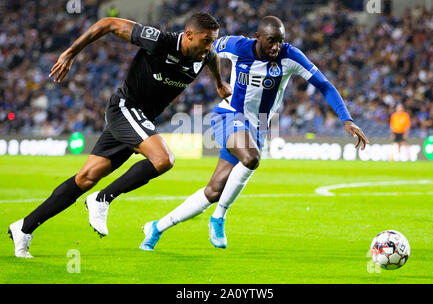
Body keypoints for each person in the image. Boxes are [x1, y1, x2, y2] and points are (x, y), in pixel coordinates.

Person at [8, 12, 231, 258]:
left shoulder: (205, 55)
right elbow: (109, 23)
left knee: (85, 178)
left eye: (213, 41)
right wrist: (70, 53)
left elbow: (213, 59)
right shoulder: (160, 41)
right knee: (164, 159)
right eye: (206, 40)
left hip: (141, 120)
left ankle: (24, 227)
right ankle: (102, 199)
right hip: (125, 108)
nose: (210, 46)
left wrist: (220, 84)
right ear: (189, 35)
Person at [138, 16, 369, 251]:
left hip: (257, 126)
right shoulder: (238, 46)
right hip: (230, 115)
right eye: (271, 41)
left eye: (280, 41)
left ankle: (156, 227)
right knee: (251, 158)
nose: (276, 47)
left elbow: (324, 85)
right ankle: (219, 217)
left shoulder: (290, 56)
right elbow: (204, 48)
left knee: (214, 190)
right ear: (258, 37)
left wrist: (347, 119)